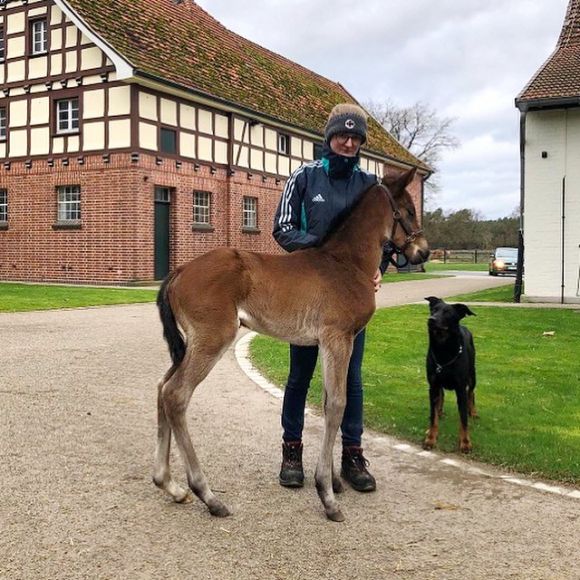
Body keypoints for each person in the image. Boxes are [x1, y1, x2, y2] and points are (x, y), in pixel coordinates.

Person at [272, 103, 391, 492]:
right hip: (306, 295)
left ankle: (351, 455)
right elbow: (283, 228)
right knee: (300, 376)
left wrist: (379, 268)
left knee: (350, 379)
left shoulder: (370, 186)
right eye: (342, 134)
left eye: (356, 138)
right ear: (329, 137)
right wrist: (323, 251)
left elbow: (382, 238)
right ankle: (292, 450)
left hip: (349, 299)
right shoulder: (304, 177)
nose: (348, 142)